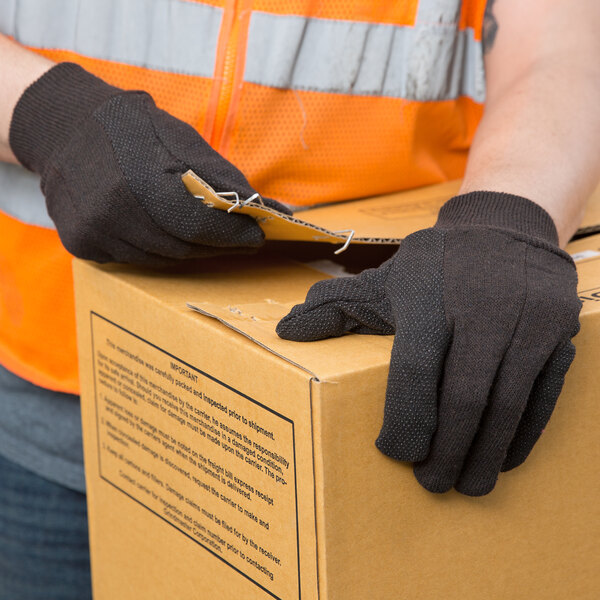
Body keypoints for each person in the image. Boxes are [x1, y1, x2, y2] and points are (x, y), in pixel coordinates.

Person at [0, 1, 598, 598]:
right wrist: (46, 115)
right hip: (51, 373)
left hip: (379, 380)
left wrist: (506, 215)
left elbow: (556, 37)